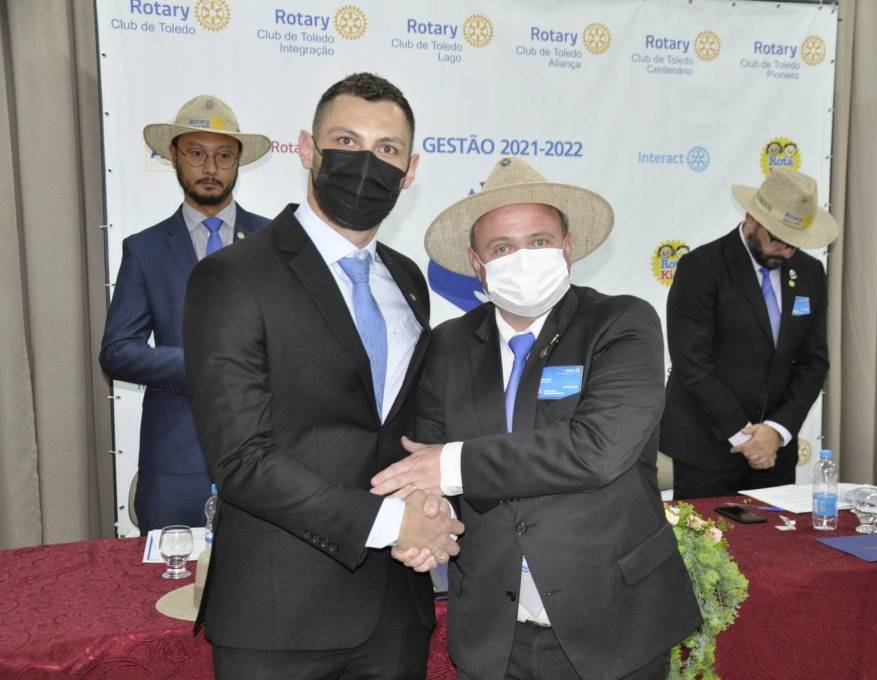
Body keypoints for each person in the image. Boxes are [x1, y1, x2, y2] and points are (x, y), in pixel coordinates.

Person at [371, 157, 701, 680]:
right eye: (502, 248)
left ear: (567, 246)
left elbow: (596, 450)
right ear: (477, 263)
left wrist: (452, 467)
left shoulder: (622, 323)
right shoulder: (449, 345)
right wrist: (425, 516)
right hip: (492, 631)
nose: (523, 258)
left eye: (539, 241)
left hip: (612, 626)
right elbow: (424, 459)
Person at [182, 73, 464, 679]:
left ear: (410, 170)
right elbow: (241, 460)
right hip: (278, 616)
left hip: (395, 609)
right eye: (347, 141)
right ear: (308, 149)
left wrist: (428, 502)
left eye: (387, 149)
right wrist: (392, 523)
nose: (366, 163)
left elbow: (402, 428)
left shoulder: (408, 279)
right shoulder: (233, 276)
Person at [99, 95, 272, 532]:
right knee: (163, 575)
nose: (210, 167)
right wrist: (200, 365)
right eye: (196, 153)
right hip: (175, 462)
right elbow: (118, 351)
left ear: (238, 162)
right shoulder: (145, 249)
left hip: (268, 457)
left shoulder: (275, 243)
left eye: (223, 155)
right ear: (174, 156)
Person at [661, 168, 839, 499]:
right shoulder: (702, 267)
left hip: (775, 451)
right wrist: (746, 437)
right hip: (706, 449)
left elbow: (813, 363)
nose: (786, 251)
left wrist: (775, 430)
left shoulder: (810, 273)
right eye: (778, 239)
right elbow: (692, 364)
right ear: (752, 219)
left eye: (794, 243)